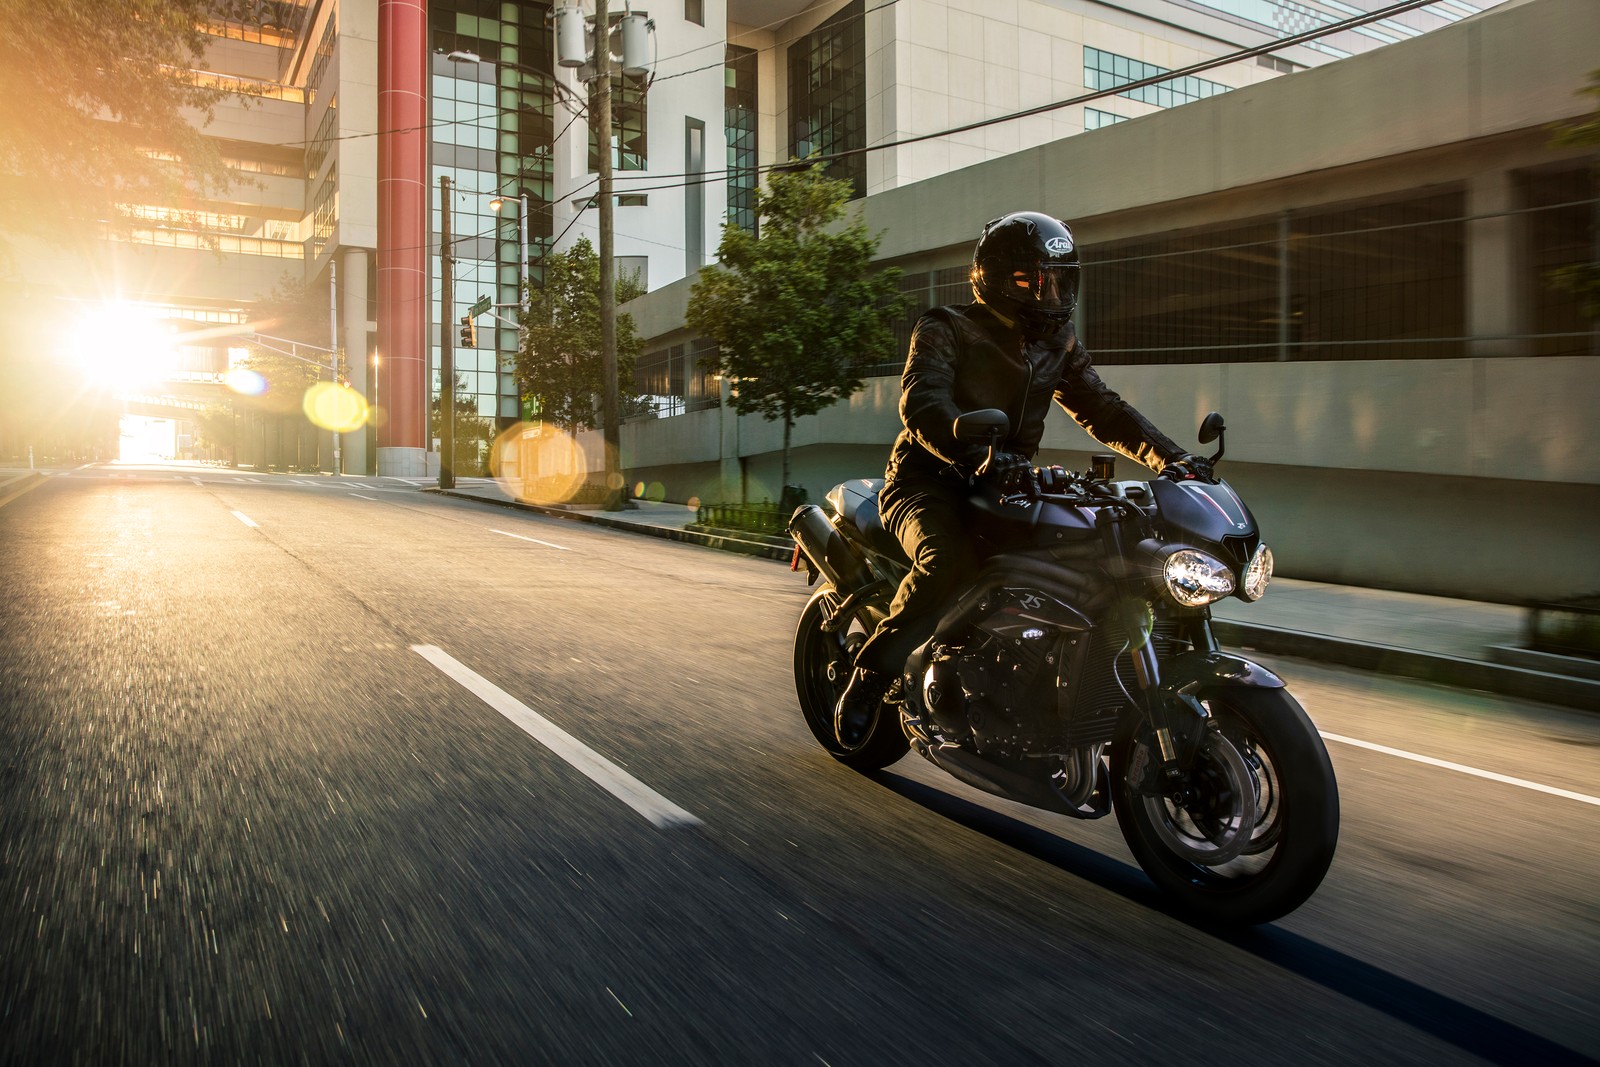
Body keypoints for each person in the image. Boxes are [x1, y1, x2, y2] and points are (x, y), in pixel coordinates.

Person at [834, 211, 1214, 747]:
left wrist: (1172, 461)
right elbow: (921, 403)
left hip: (1007, 487)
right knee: (949, 563)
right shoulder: (946, 327)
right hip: (930, 481)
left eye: (1059, 277)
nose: (1049, 289)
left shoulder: (1057, 340)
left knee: (1091, 560)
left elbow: (1102, 409)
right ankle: (871, 676)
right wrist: (970, 448)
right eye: (1033, 278)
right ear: (993, 278)